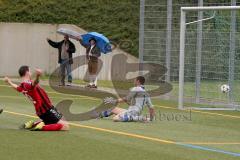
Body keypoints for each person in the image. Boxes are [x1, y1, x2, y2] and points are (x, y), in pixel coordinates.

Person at [4, 66, 69, 131]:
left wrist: (9, 82)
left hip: (41, 111)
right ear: (27, 73)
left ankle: (33, 124)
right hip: (47, 109)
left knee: (55, 121)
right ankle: (41, 127)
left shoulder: (23, 85)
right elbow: (34, 83)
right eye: (30, 71)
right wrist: (37, 75)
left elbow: (17, 88)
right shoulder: (27, 84)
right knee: (65, 126)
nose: (31, 73)